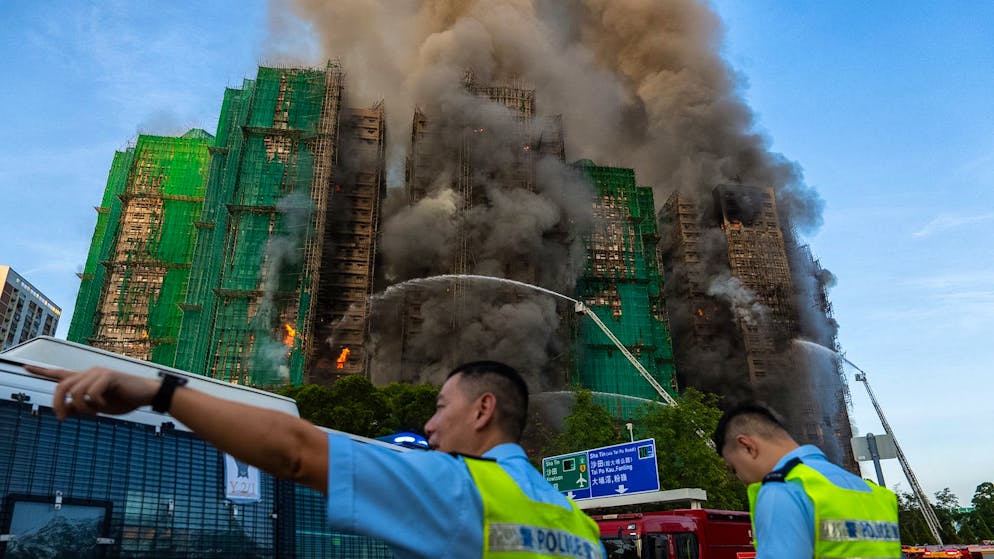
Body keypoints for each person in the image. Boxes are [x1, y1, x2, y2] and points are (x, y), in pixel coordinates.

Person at [24, 360, 604, 559]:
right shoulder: (581, 527)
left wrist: (160, 393)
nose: (429, 425)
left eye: (439, 407)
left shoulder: (458, 487)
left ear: (483, 410)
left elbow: (296, 452)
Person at [712, 402, 901, 559]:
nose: (740, 478)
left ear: (747, 446)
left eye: (733, 468)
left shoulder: (784, 489)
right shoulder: (877, 495)